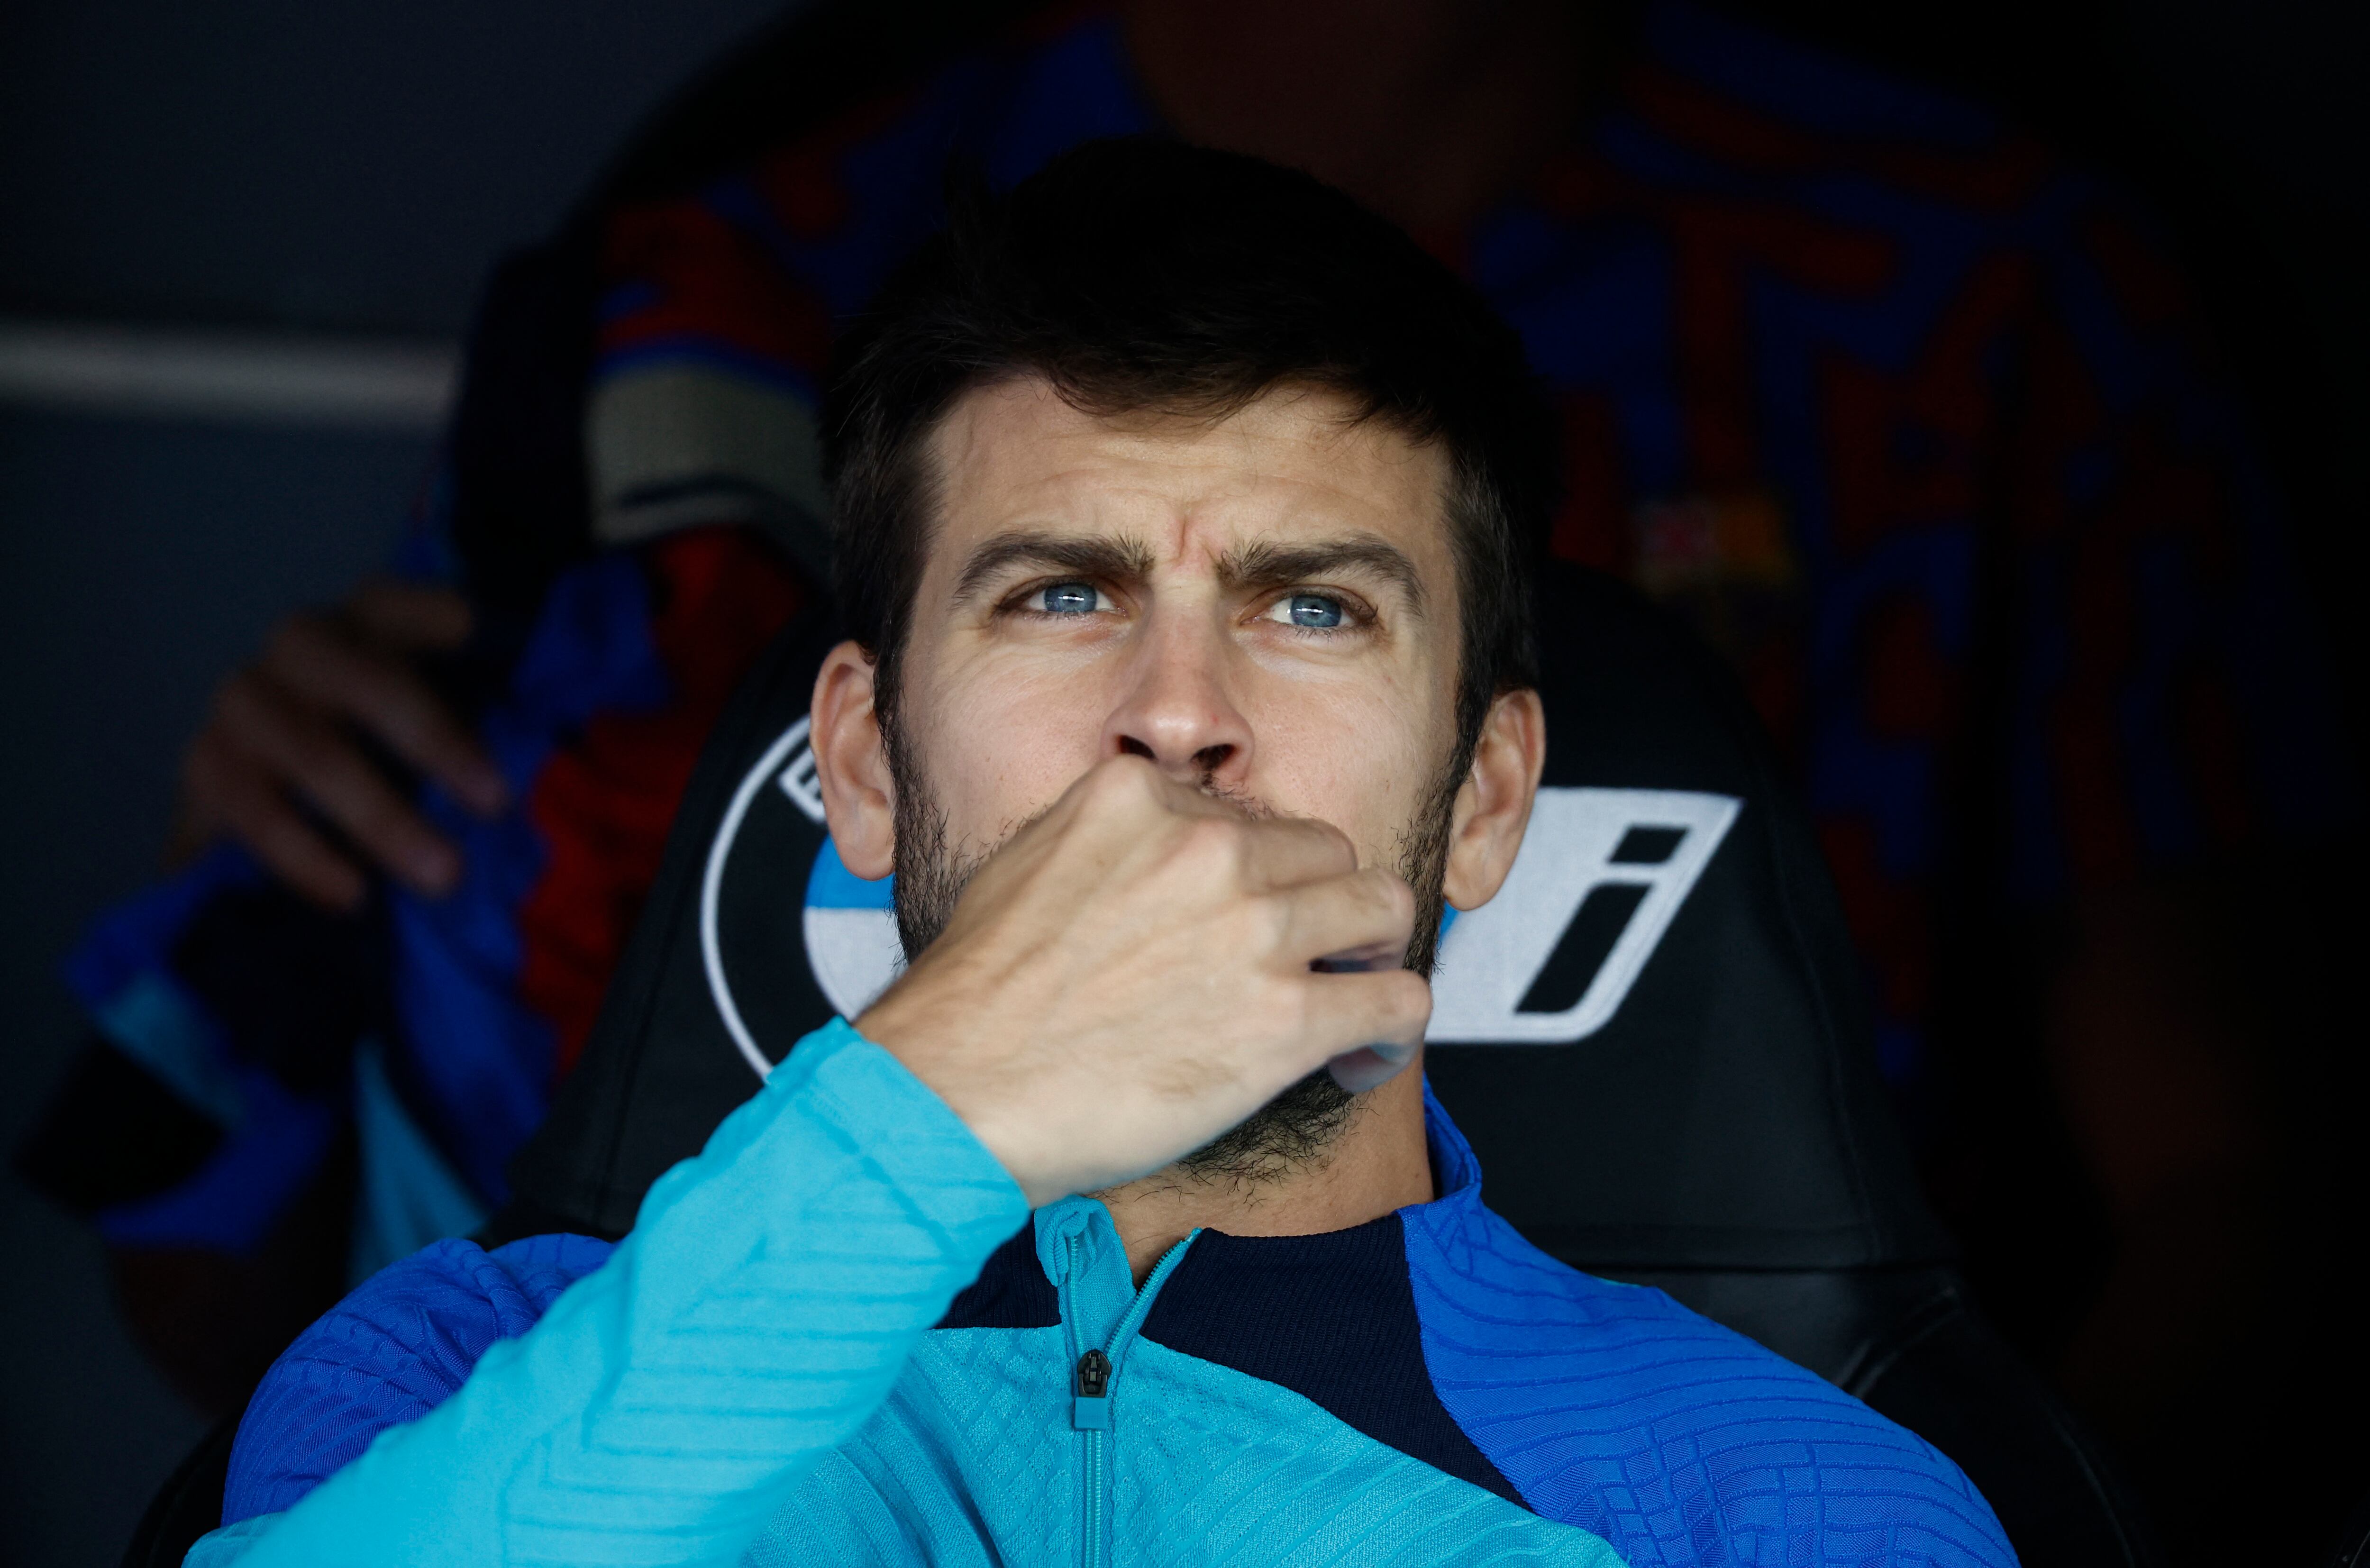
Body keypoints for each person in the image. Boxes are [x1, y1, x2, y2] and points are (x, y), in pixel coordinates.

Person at [22, 3, 2346, 1550]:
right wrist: (929, 1117)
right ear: (845, 754)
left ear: (1484, 803)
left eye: (1313, 603)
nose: (1178, 706)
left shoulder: (1790, 1493)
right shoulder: (457, 1367)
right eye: (1054, 591)